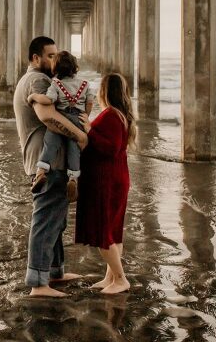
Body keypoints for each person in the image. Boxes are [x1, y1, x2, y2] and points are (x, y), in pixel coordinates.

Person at [13, 36, 88, 297]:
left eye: (57, 55)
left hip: (48, 161)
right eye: (50, 55)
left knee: (56, 220)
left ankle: (54, 272)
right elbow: (47, 116)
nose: (55, 60)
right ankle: (38, 283)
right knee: (46, 220)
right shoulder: (39, 81)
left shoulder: (37, 80)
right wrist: (79, 135)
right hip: (49, 162)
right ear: (36, 58)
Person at [76, 72, 136, 294]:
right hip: (117, 177)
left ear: (104, 92)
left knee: (104, 235)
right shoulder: (121, 115)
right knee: (114, 231)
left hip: (107, 180)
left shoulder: (112, 115)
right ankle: (110, 278)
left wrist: (90, 130)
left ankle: (121, 279)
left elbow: (110, 148)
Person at [28, 50, 95, 203]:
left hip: (62, 117)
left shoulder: (56, 83)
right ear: (75, 67)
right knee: (74, 149)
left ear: (55, 69)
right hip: (78, 120)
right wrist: (86, 115)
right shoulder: (85, 84)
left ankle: (41, 172)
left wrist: (33, 97)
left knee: (50, 143)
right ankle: (72, 179)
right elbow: (90, 101)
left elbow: (48, 100)